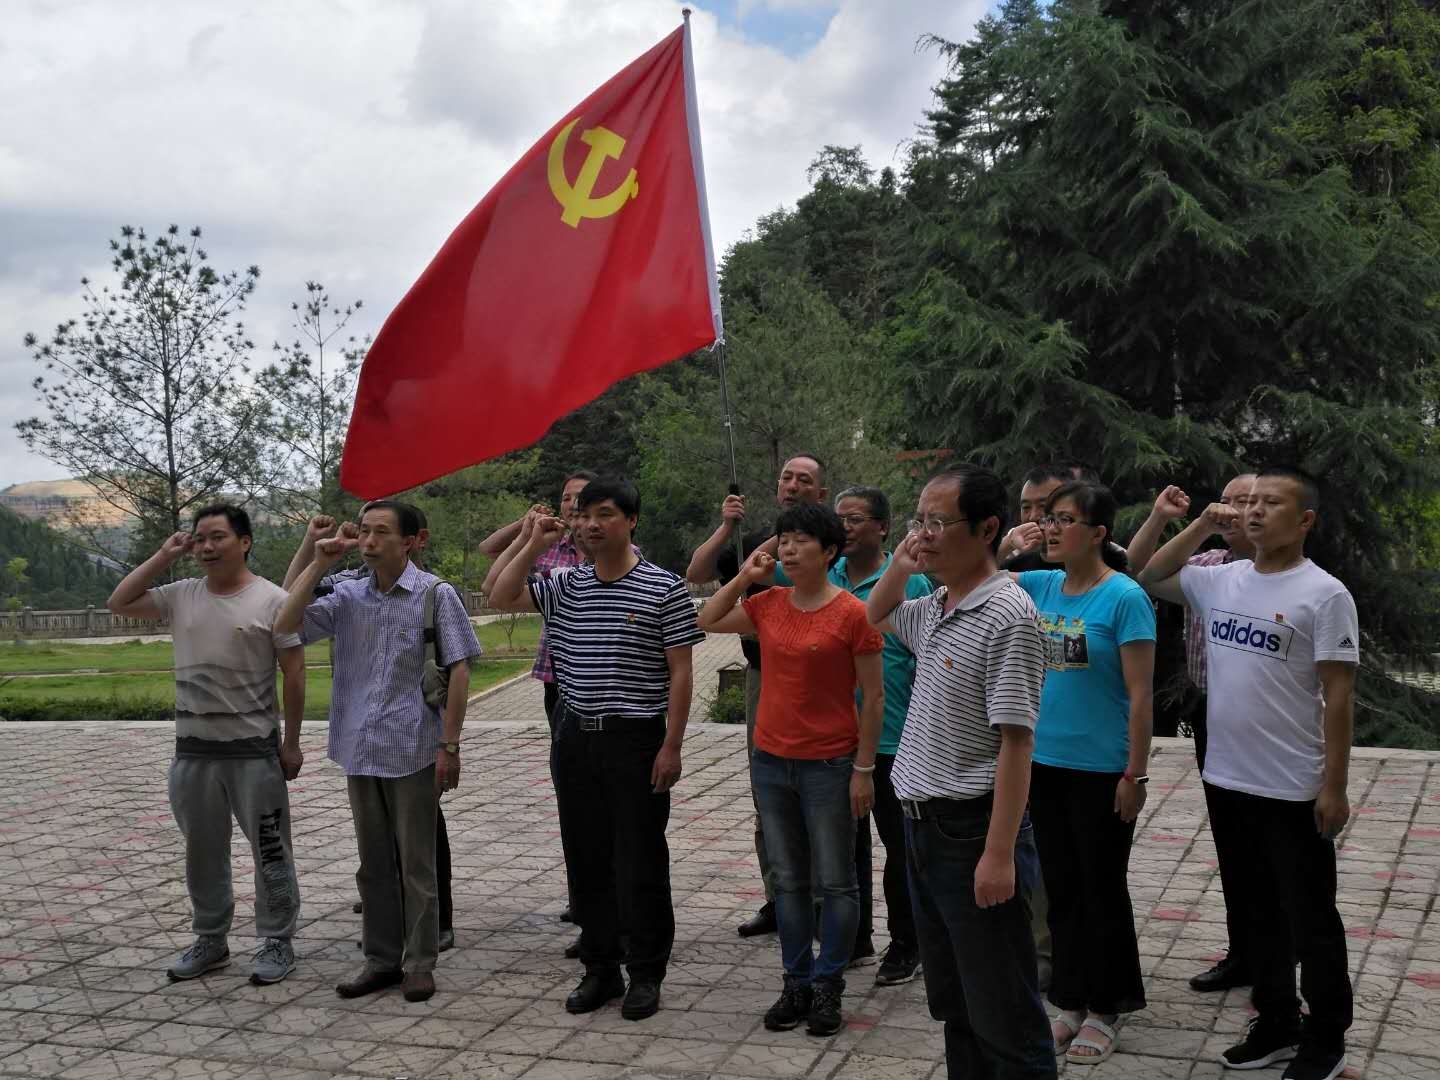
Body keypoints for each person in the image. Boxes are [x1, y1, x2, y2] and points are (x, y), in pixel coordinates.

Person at [1137, 468, 1357, 1080]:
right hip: (1227, 777)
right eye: (1249, 502)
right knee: (1256, 912)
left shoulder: (1324, 594)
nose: (1254, 511)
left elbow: (1340, 695)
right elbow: (1149, 574)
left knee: (1311, 920)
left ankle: (1326, 1039)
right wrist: (1201, 525)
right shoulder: (1220, 580)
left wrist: (1335, 786)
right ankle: (1277, 1021)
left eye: (1271, 503)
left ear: (1304, 519)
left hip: (1292, 784)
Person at [865, 463, 1055, 1079]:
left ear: (987, 529)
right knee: (957, 1005)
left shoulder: (1008, 616)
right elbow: (876, 613)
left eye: (938, 522)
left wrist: (999, 855)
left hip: (972, 833)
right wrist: (902, 564)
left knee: (1004, 1014)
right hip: (922, 829)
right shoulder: (938, 606)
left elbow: (1017, 744)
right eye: (919, 520)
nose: (924, 534)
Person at [488, 476, 702, 1022]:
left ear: (631, 521)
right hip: (575, 737)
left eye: (604, 514)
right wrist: (532, 543)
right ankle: (600, 967)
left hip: (636, 739)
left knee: (640, 859)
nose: (590, 524)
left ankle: (645, 972)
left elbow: (681, 672)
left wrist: (672, 746)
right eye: (583, 515)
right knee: (586, 858)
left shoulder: (663, 588)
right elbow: (500, 595)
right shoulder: (566, 584)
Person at [277, 500, 482, 1004]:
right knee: (372, 864)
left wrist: (450, 744)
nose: (368, 541)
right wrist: (318, 560)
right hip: (360, 745)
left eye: (381, 532)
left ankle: (420, 962)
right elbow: (285, 620)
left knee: (416, 863)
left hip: (413, 747)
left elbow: (459, 670)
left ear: (411, 541)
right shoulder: (347, 595)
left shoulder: (435, 593)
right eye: (364, 531)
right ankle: (381, 959)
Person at [698, 502, 884, 1036]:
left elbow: (873, 697)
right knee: (788, 882)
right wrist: (744, 578)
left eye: (802, 540)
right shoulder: (769, 604)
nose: (790, 549)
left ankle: (828, 984)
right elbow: (707, 619)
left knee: (837, 881)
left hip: (830, 764)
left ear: (830, 552)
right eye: (785, 540)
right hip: (772, 764)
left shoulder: (853, 612)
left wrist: (863, 769)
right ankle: (796, 980)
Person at [107, 504, 306, 986]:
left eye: (217, 537)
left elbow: (295, 671)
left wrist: (292, 743)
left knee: (270, 851)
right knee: (203, 852)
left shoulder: (273, 599)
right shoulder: (181, 595)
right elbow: (120, 601)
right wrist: (164, 554)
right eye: (199, 538)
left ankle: (277, 939)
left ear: (245, 542)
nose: (206, 547)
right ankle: (211, 938)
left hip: (254, 753)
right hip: (193, 753)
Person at [1012, 481, 1154, 1065]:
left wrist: (1135, 775)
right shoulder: (1041, 586)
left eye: (1063, 519)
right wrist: (1009, 545)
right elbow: (973, 580)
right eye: (1048, 518)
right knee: (1062, 889)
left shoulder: (1124, 597)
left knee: (1102, 890)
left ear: (1097, 533)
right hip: (1045, 764)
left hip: (1103, 770)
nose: (1050, 528)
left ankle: (1107, 1007)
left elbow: (1141, 695)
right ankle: (1069, 1001)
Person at [686, 453, 828, 938]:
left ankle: (824, 903)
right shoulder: (760, 543)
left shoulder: (830, 544)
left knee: (821, 796)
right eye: (787, 477)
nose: (793, 485)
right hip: (764, 676)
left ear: (820, 494)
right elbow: (698, 573)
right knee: (768, 793)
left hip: (820, 680)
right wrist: (729, 527)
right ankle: (779, 898)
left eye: (804, 480)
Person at [1127, 474, 1257, 992]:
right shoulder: (1206, 567)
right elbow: (1139, 571)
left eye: (1248, 501)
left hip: (1266, 722)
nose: (1235, 510)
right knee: (1231, 838)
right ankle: (1245, 951)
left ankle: (1280, 950)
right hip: (1213, 716)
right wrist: (1180, 521)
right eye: (1228, 500)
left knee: (1274, 843)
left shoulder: (1291, 577)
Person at [830, 485, 933, 986]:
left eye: (855, 519)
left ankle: (908, 943)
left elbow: (927, 656)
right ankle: (853, 937)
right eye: (839, 519)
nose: (845, 528)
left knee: (899, 846)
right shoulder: (825, 573)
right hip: (836, 735)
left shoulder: (912, 580)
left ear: (883, 527)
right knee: (843, 845)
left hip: (896, 737)